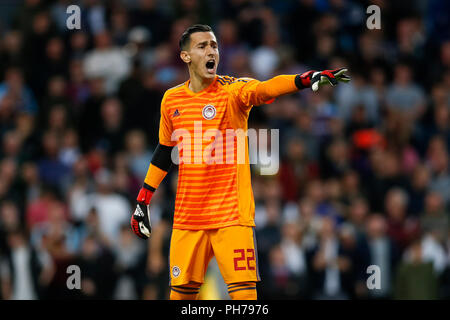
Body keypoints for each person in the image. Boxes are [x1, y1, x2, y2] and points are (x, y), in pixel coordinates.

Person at [129, 24, 350, 300]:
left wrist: (304, 80)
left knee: (244, 300)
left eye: (214, 45)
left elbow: (267, 88)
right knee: (181, 298)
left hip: (231, 218)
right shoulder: (171, 99)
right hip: (188, 220)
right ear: (185, 56)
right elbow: (164, 152)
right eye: (203, 46)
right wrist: (143, 199)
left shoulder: (233, 91)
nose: (211, 51)